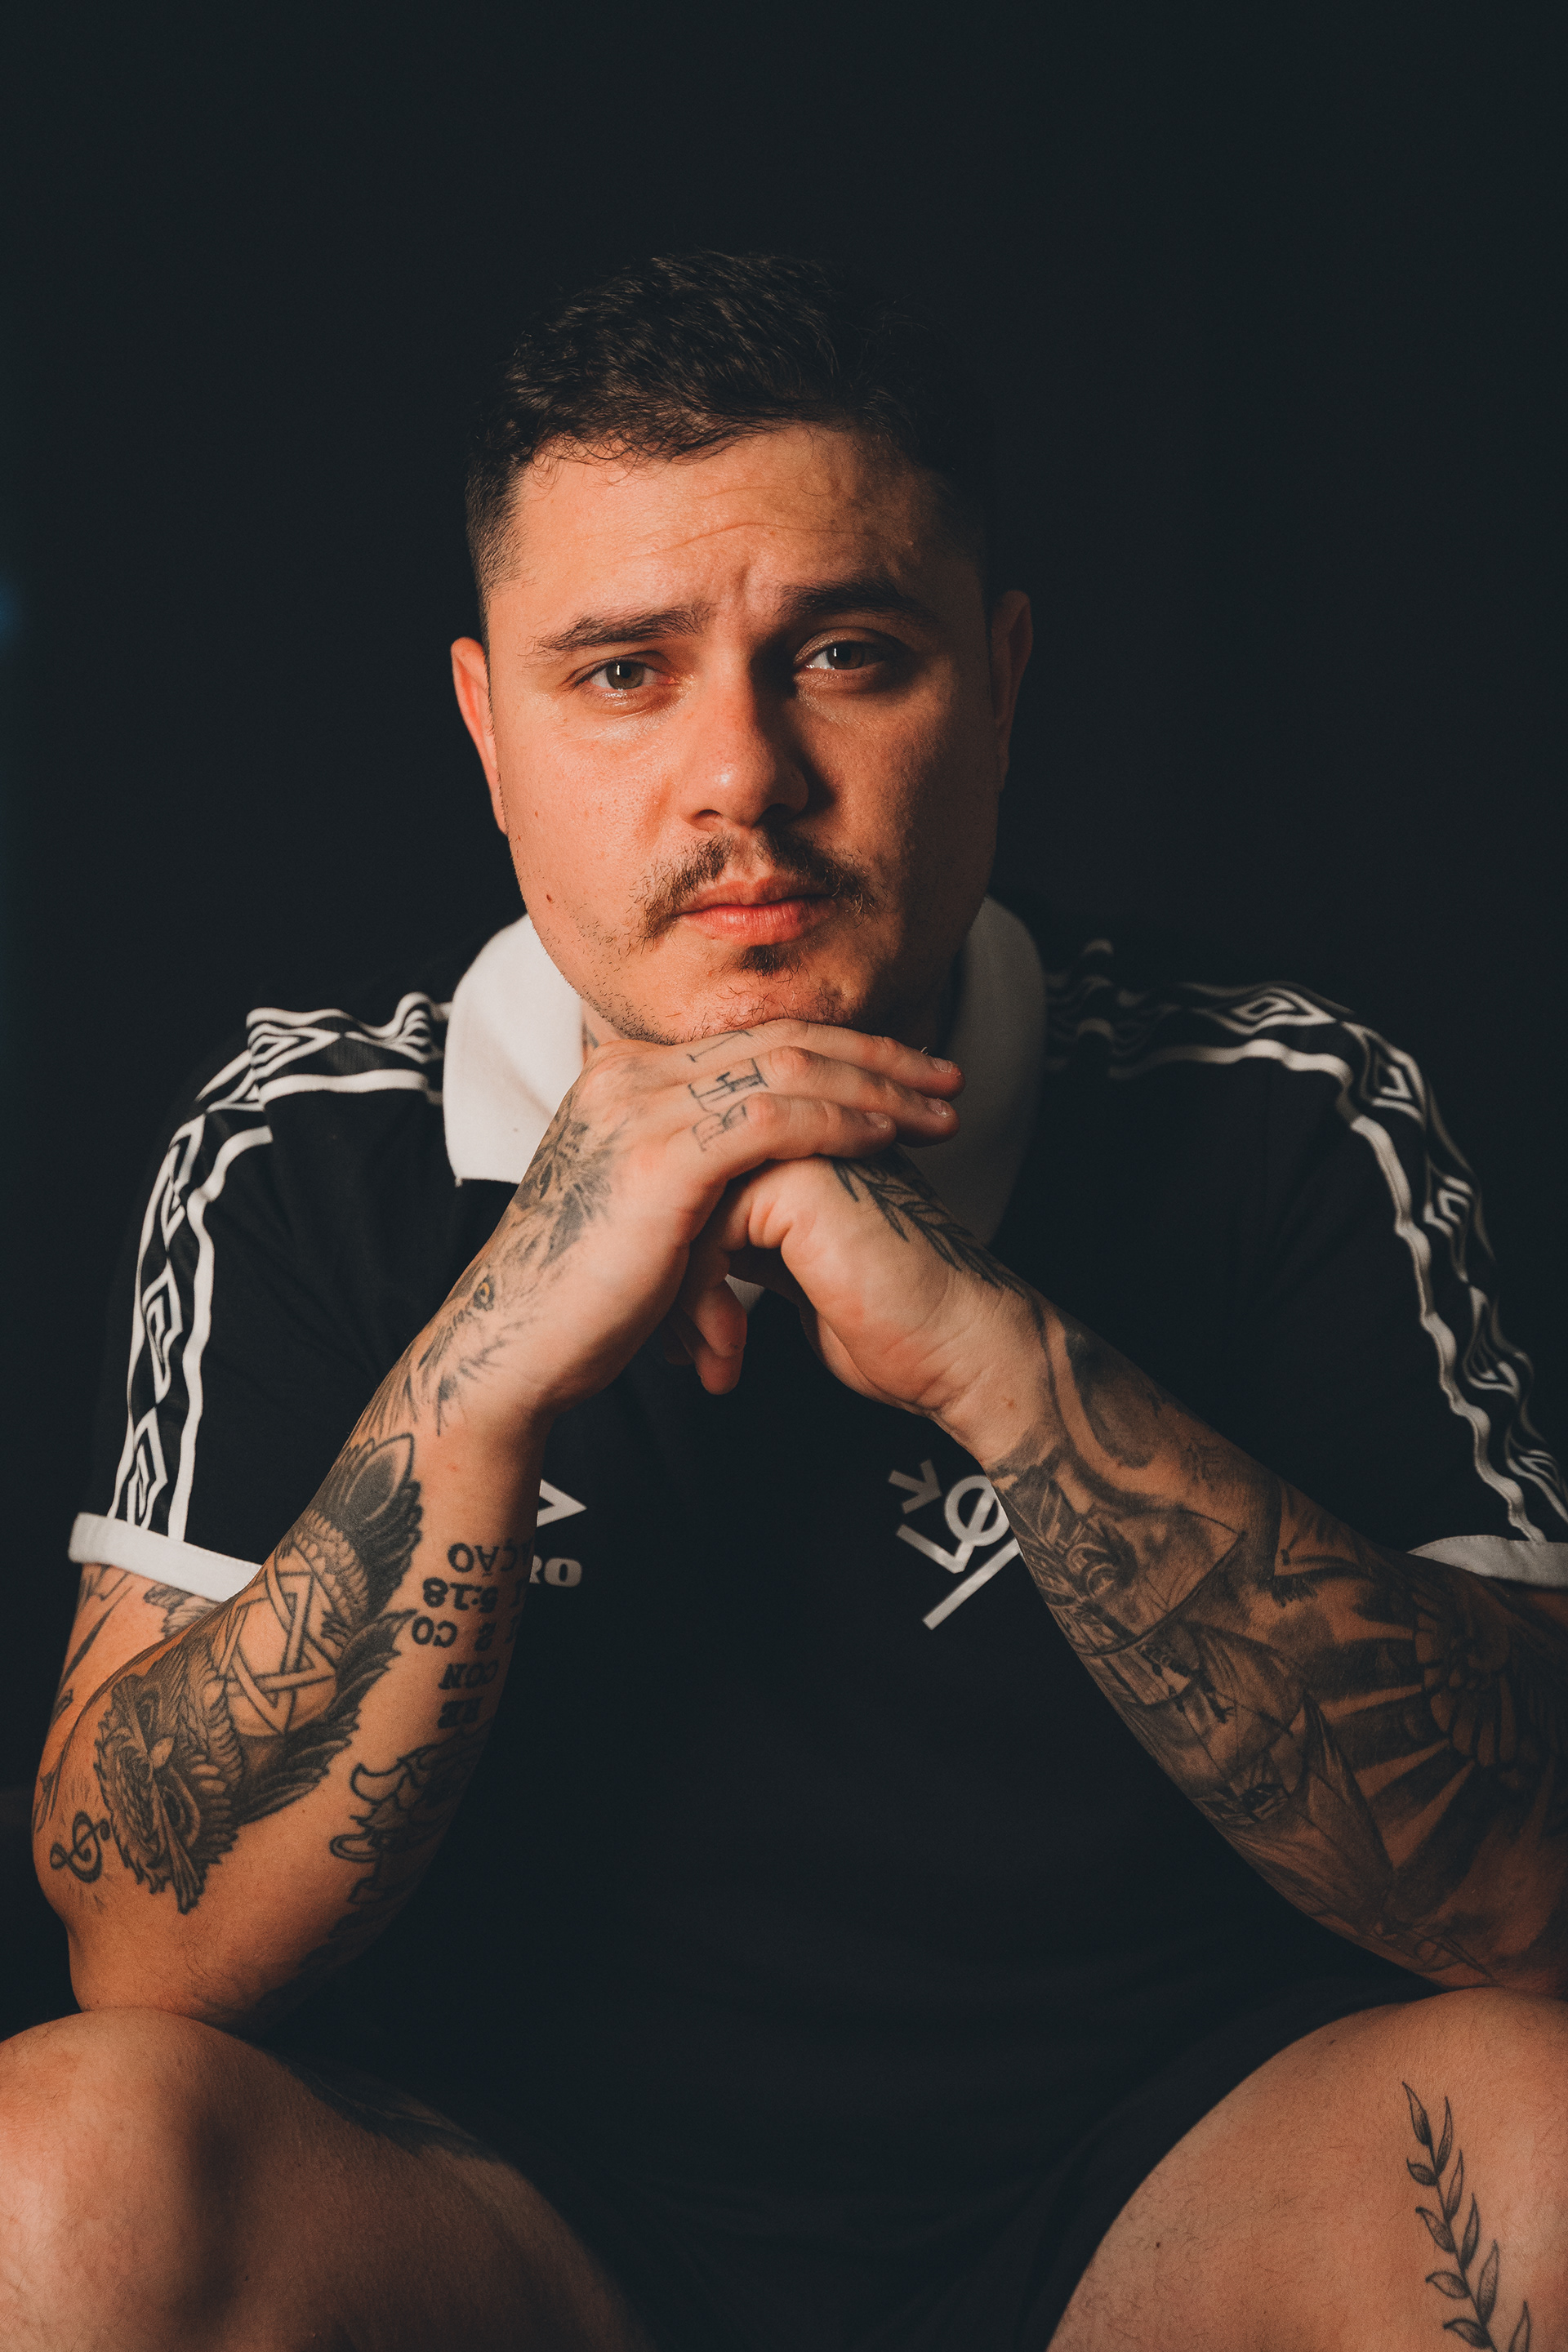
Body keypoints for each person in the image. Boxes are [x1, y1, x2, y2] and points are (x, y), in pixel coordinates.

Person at [6, 252, 1568, 2351]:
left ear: (1000, 680)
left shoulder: (1279, 1106)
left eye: (846, 653)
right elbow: (140, 1951)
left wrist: (1003, 1361)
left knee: (1544, 2156)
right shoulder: (310, 1145)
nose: (741, 776)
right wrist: (489, 1370)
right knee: (59, 2188)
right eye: (622, 673)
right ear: (489, 730)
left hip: (1163, 2213)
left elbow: (1531, 1892)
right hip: (522, 2236)